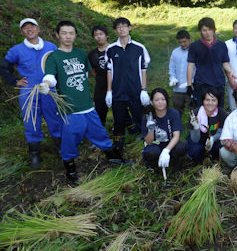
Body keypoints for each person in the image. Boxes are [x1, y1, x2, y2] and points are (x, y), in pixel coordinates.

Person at [42, 21, 126, 183]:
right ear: (58, 35)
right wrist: (46, 84)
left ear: (75, 35)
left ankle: (114, 158)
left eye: (71, 33)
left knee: (99, 132)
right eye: (64, 33)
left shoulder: (81, 54)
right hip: (70, 109)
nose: (68, 36)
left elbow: (89, 74)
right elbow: (50, 76)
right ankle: (70, 170)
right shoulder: (54, 57)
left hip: (87, 105)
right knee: (70, 139)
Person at [0, 18, 63, 168]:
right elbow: (3, 67)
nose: (29, 29)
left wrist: (58, 82)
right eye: (25, 28)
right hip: (29, 91)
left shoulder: (50, 46)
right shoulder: (17, 50)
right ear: (22, 31)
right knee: (31, 121)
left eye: (32, 26)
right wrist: (15, 81)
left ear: (38, 29)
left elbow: (58, 66)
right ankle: (35, 154)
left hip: (49, 89)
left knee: (54, 118)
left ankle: (60, 148)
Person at [105, 17, 151, 154]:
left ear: (129, 28)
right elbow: (109, 71)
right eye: (118, 27)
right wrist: (109, 91)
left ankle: (144, 142)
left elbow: (143, 70)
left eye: (124, 26)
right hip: (118, 91)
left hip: (135, 90)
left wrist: (144, 89)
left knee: (138, 117)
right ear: (115, 30)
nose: (121, 29)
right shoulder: (111, 49)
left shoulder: (139, 48)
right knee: (118, 120)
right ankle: (118, 146)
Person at [187, 17, 235, 108]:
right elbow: (190, 65)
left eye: (210, 29)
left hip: (218, 83)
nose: (207, 33)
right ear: (200, 31)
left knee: (219, 111)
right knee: (201, 112)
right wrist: (189, 85)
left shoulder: (222, 45)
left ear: (214, 30)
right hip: (201, 83)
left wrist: (231, 71)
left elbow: (225, 63)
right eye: (204, 30)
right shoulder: (194, 46)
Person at [141, 88, 186, 170]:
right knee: (151, 152)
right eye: (156, 100)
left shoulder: (174, 113)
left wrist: (166, 150)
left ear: (166, 101)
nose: (160, 102)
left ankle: (175, 165)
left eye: (163, 99)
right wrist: (150, 129)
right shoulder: (147, 117)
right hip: (155, 145)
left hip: (170, 144)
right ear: (152, 102)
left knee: (181, 147)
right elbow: (148, 141)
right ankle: (154, 167)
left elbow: (176, 136)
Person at [187, 87, 227, 164]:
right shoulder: (196, 114)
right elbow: (195, 139)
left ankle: (213, 159)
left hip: (213, 139)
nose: (210, 103)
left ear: (218, 101)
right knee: (196, 150)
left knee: (221, 146)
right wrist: (196, 127)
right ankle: (199, 162)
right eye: (207, 100)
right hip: (199, 139)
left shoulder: (221, 113)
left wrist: (213, 139)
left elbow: (221, 132)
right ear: (203, 101)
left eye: (213, 100)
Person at [169, 30, 192, 116]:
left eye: (184, 41)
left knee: (193, 110)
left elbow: (198, 69)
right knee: (177, 110)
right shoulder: (175, 52)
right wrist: (172, 78)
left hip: (191, 87)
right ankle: (177, 127)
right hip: (178, 88)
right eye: (180, 42)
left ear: (189, 39)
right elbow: (172, 67)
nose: (182, 44)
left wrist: (191, 82)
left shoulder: (194, 51)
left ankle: (193, 128)